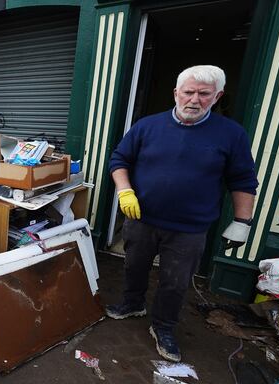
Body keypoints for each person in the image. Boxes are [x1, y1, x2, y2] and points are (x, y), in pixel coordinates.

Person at [105, 65, 258, 362]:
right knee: (133, 266)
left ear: (217, 96)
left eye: (204, 94)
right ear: (176, 93)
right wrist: (125, 190)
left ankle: (163, 327)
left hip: (189, 228)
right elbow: (119, 159)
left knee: (174, 281)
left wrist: (243, 221)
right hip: (141, 219)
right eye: (188, 92)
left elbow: (242, 180)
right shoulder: (147, 126)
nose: (194, 100)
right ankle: (133, 303)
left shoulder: (231, 134)